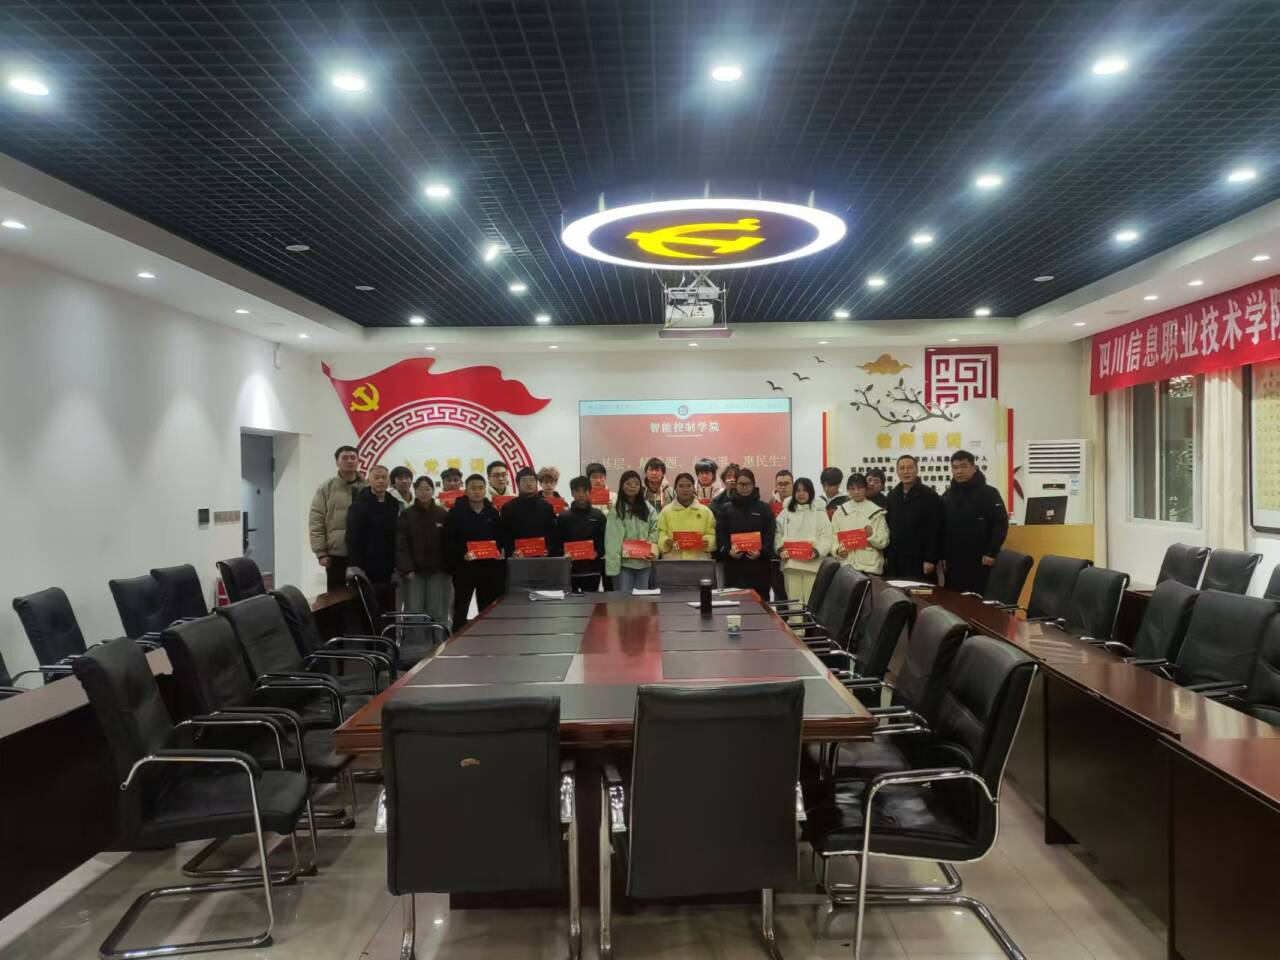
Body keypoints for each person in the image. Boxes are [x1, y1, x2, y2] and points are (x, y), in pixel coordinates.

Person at [940, 450, 1009, 594]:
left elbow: (1000, 524)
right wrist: (942, 556)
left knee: (977, 599)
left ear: (974, 468)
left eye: (963, 466)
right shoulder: (948, 495)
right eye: (955, 467)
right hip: (954, 560)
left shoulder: (989, 493)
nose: (959, 471)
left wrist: (992, 552)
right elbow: (942, 528)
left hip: (981, 559)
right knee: (954, 599)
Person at [445, 474, 505, 628]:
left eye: (480, 488)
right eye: (473, 488)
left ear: (485, 490)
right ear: (466, 490)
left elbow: (499, 537)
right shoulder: (455, 512)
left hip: (488, 567)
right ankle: (457, 638)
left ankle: (486, 636)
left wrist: (498, 551)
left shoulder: (492, 512)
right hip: (464, 568)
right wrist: (462, 554)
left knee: (486, 608)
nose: (477, 492)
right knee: (461, 607)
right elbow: (448, 540)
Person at [395, 476, 452, 629]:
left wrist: (447, 567)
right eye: (420, 489)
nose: (424, 492)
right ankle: (415, 641)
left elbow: (448, 543)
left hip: (438, 572)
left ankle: (439, 640)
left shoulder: (442, 514)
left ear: (433, 491)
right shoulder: (407, 514)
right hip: (414, 573)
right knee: (414, 610)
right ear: (415, 491)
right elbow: (401, 544)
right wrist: (407, 568)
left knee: (437, 610)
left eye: (427, 489)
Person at [309, 445, 367, 592]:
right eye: (345, 458)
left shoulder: (368, 487)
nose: (349, 461)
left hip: (364, 552)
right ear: (337, 462)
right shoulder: (326, 488)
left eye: (353, 458)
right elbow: (316, 521)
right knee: (336, 596)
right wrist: (321, 553)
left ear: (358, 461)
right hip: (336, 553)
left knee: (363, 595)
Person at [345, 464, 401, 612]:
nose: (380, 481)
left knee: (389, 607)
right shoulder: (358, 505)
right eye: (376, 477)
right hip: (366, 565)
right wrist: (356, 565)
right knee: (369, 608)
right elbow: (352, 537)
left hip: (389, 565)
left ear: (389, 480)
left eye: (384, 477)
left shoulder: (393, 503)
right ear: (369, 480)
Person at [716, 468, 776, 597]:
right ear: (735, 485)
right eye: (741, 484)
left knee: (760, 604)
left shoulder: (764, 508)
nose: (744, 487)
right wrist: (728, 551)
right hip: (734, 566)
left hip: (759, 567)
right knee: (735, 604)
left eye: (747, 484)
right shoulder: (726, 509)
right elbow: (721, 535)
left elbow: (770, 534)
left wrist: (761, 551)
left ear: (753, 485)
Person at [885, 454, 943, 582]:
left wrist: (930, 559)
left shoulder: (929, 496)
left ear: (917, 470)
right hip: (896, 559)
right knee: (896, 591)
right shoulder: (892, 496)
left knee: (920, 592)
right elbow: (888, 526)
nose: (906, 471)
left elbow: (935, 529)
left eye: (910, 468)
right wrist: (887, 555)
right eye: (902, 468)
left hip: (920, 559)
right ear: (897, 471)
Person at [774, 477, 833, 604]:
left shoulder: (819, 513)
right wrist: (780, 549)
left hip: (813, 565)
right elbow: (778, 533)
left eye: (805, 490)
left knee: (811, 605)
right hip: (790, 565)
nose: (801, 494)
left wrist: (817, 551)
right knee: (794, 604)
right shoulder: (786, 512)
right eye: (798, 490)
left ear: (811, 492)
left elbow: (827, 537)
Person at [604, 470, 659, 592]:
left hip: (644, 563)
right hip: (624, 565)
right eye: (628, 483)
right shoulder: (616, 510)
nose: (632, 487)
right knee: (623, 600)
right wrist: (612, 567)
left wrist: (649, 549)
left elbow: (655, 529)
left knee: (641, 599)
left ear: (640, 487)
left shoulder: (648, 508)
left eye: (636, 484)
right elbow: (612, 539)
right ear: (621, 486)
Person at [556, 476, 607, 593]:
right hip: (570, 570)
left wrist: (598, 552)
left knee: (592, 602)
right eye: (577, 491)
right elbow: (558, 541)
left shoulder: (598, 516)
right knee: (571, 603)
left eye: (584, 491)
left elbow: (604, 540)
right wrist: (563, 554)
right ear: (572, 493)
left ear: (590, 492)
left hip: (592, 569)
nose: (581, 495)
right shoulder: (563, 517)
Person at [831, 473, 889, 574]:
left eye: (860, 488)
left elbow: (884, 542)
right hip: (845, 567)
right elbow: (833, 537)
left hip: (870, 568)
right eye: (852, 488)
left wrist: (872, 535)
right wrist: (837, 550)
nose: (856, 492)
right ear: (848, 490)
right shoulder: (840, 512)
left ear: (866, 489)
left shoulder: (876, 512)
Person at [499, 466, 559, 557]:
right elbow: (503, 535)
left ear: (536, 483)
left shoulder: (546, 507)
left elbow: (553, 533)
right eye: (524, 480)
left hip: (543, 558)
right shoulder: (508, 508)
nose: (528, 484)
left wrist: (548, 549)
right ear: (518, 484)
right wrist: (512, 551)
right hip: (517, 559)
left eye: (531, 480)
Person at [657, 472, 717, 560]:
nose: (685, 489)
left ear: (694, 488)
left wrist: (708, 542)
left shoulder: (705, 511)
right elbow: (660, 535)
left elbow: (712, 535)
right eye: (681, 486)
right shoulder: (665, 512)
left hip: (699, 561)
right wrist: (666, 542)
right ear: (675, 489)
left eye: (689, 486)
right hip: (673, 561)